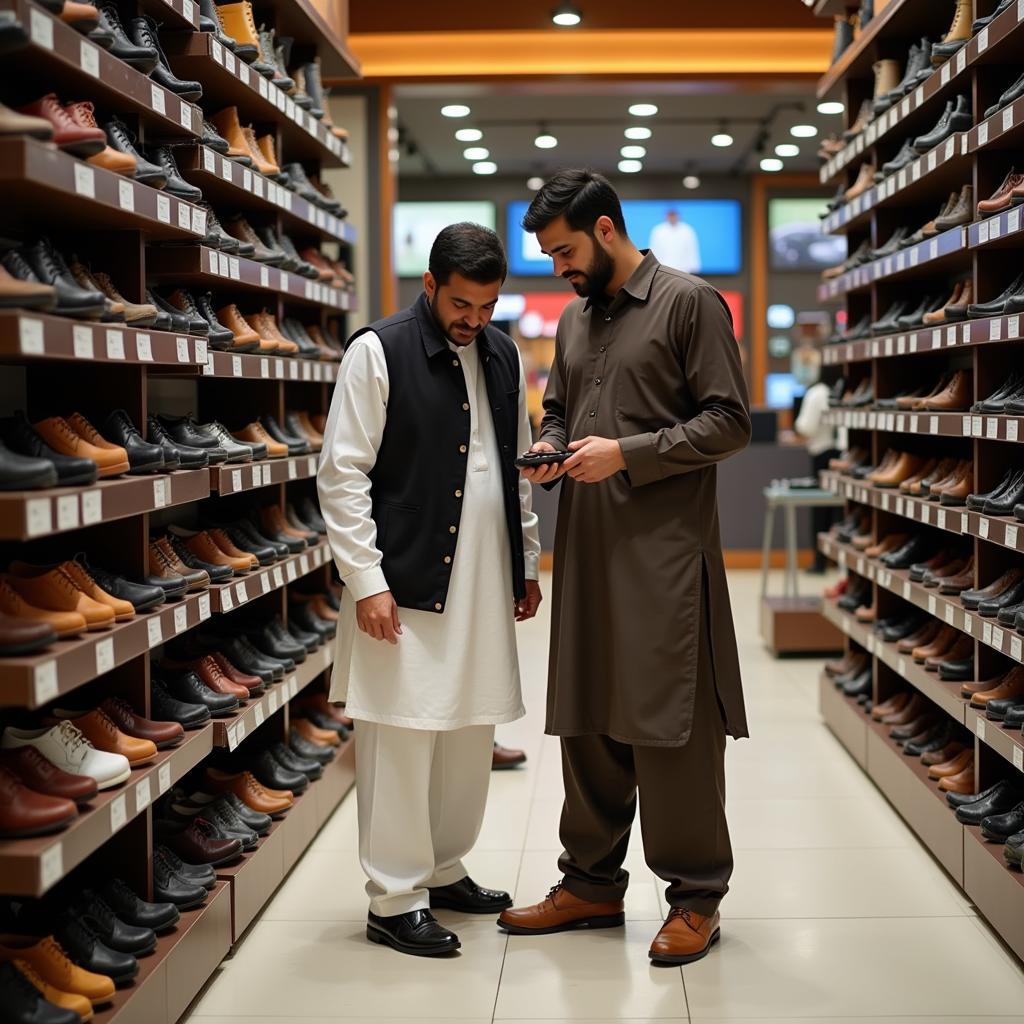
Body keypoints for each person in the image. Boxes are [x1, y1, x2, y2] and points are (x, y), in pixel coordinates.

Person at [497, 169, 750, 966]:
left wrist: (627, 455)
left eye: (565, 250)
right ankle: (592, 884)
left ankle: (695, 897)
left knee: (669, 727)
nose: (558, 268)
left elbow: (728, 422)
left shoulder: (690, 304)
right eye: (548, 255)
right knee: (588, 719)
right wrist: (550, 445)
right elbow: (563, 409)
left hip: (666, 559)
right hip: (588, 551)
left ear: (606, 230)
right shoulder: (574, 321)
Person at [316, 223, 542, 958]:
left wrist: (525, 561)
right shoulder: (376, 351)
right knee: (403, 737)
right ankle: (395, 896)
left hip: (483, 581)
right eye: (462, 304)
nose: (474, 320)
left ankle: (445, 870)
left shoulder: (505, 355)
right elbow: (341, 475)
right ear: (430, 285)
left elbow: (514, 472)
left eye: (487, 305)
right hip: (401, 584)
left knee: (468, 735)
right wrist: (367, 580)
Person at [789, 368, 845, 573]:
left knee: (820, 511)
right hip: (844, 456)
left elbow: (806, 427)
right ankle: (841, 565)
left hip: (822, 454)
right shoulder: (843, 389)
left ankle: (820, 563)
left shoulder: (817, 393)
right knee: (841, 511)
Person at [648, 208, 701, 274]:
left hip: (683, 268)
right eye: (670, 216)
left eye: (674, 215)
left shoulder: (687, 230)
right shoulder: (658, 230)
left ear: (678, 216)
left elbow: (692, 249)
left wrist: (694, 266)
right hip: (664, 267)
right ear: (666, 216)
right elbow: (654, 249)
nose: (672, 218)